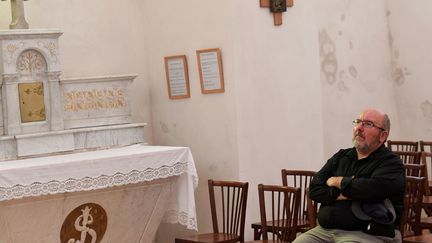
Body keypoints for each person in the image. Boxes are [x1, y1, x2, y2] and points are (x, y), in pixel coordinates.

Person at [293, 108, 405, 243]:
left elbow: (373, 189)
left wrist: (339, 182)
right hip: (325, 231)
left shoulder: (391, 163)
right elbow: (314, 189)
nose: (359, 128)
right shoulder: (341, 157)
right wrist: (350, 191)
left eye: (368, 124)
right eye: (358, 122)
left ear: (383, 135)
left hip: (367, 234)